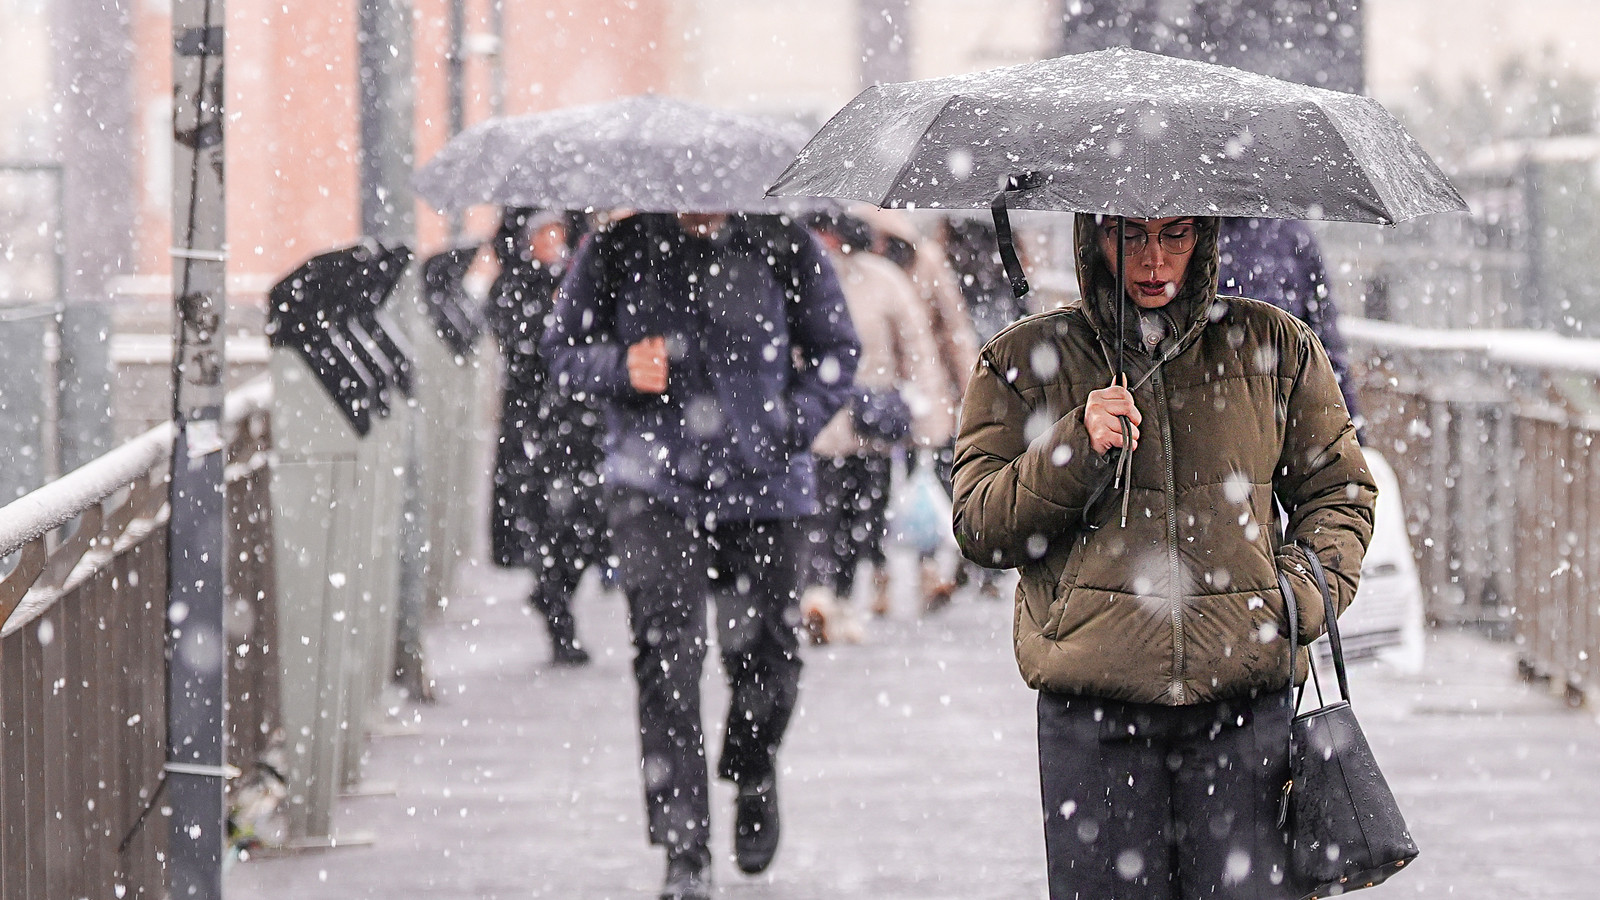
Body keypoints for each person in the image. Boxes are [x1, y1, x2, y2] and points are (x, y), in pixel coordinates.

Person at [950, 214, 1376, 899]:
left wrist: (1294, 596)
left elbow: (1340, 492)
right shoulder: (1024, 359)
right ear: (1093, 236)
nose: (1153, 260)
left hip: (1244, 706)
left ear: (1205, 236)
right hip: (1094, 714)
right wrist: (1074, 447)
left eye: (1175, 235)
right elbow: (979, 525)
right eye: (1130, 235)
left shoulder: (1274, 346)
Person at [544, 211, 859, 900]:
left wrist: (787, 423)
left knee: (767, 654)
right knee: (667, 657)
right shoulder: (619, 248)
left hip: (764, 484)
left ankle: (751, 769)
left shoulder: (783, 244)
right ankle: (684, 847)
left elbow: (837, 352)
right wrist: (619, 367)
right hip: (652, 484)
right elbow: (561, 352)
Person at [799, 211, 953, 640]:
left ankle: (843, 599)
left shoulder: (883, 280)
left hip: (873, 428)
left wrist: (927, 417)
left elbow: (917, 349)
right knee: (820, 513)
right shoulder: (799, 279)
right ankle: (818, 595)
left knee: (859, 516)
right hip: (819, 426)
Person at [484, 208, 605, 666]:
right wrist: (552, 312)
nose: (550, 241)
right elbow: (523, 349)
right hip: (535, 430)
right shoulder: (513, 287)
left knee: (587, 525)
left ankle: (553, 594)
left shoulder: (582, 281)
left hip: (581, 427)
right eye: (541, 233)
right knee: (547, 526)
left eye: (556, 232)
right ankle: (558, 618)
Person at [1218, 217, 1362, 430]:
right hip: (1231, 410)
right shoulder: (1191, 234)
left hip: (1280, 412)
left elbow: (1325, 346)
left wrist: (1349, 427)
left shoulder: (1294, 236)